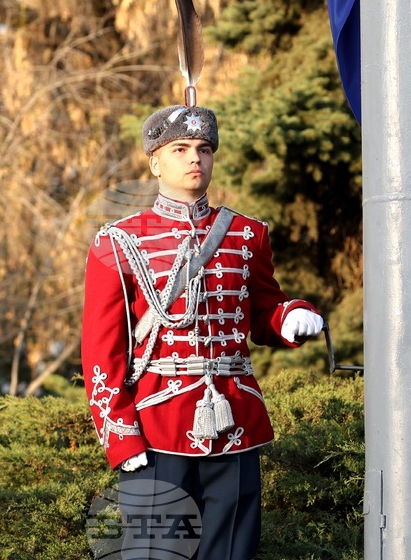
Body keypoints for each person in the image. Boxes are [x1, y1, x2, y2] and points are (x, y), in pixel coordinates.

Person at [81, 102, 325, 560]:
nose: (195, 158)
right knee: (155, 553)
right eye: (180, 149)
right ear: (155, 161)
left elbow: (264, 309)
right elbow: (101, 352)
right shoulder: (118, 242)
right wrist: (120, 435)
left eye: (203, 148)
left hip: (235, 422)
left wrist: (289, 314)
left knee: (232, 550)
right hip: (155, 426)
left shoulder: (247, 235)